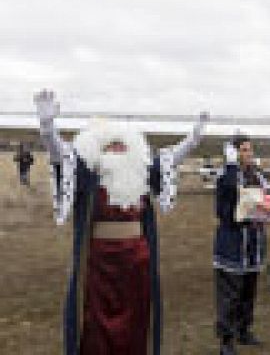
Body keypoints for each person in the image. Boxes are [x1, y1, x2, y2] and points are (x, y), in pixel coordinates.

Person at [35, 89, 208, 355]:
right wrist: (48, 128)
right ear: (98, 148)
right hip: (98, 261)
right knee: (95, 323)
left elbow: (169, 160)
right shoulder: (87, 172)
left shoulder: (139, 172)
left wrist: (192, 141)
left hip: (137, 260)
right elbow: (60, 156)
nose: (117, 149)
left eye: (121, 144)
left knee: (136, 320)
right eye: (110, 145)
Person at [213, 134, 270, 355]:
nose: (249, 154)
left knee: (248, 292)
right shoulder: (226, 175)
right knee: (230, 294)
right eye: (244, 150)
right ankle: (226, 341)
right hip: (232, 243)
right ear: (234, 153)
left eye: (250, 149)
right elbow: (229, 191)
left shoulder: (257, 176)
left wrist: (269, 210)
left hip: (253, 244)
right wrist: (230, 164)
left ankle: (243, 330)